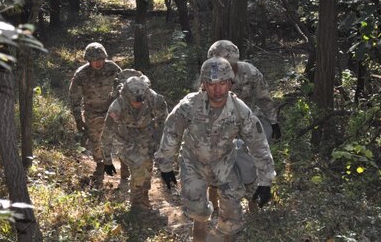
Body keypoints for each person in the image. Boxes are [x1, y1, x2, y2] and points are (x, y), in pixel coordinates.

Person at [154, 57, 276, 241]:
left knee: (232, 218)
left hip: (224, 164)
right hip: (193, 163)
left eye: (222, 83)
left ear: (230, 83)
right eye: (211, 84)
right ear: (203, 84)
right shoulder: (189, 105)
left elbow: (258, 144)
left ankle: (225, 236)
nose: (217, 90)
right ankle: (200, 228)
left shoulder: (239, 110)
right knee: (196, 210)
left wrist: (265, 181)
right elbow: (172, 133)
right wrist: (165, 165)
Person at [207, 39, 281, 211]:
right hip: (221, 122)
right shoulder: (209, 77)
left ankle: (253, 197)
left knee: (253, 154)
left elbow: (264, 97)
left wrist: (273, 121)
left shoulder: (250, 72)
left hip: (248, 117)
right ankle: (214, 192)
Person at [102, 75, 168, 210]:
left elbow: (163, 118)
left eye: (141, 101)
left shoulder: (153, 98)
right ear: (126, 97)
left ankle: (144, 194)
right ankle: (136, 203)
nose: (139, 104)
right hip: (125, 137)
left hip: (146, 135)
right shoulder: (117, 106)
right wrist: (107, 160)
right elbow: (107, 133)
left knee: (148, 166)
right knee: (138, 167)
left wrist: (160, 140)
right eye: (135, 101)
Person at [69, 42, 124, 185]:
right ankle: (100, 164)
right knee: (96, 139)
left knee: (122, 137)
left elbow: (124, 87)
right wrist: (78, 119)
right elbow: (74, 97)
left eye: (100, 59)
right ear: (89, 60)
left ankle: (125, 165)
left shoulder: (113, 68)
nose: (98, 63)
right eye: (94, 60)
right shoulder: (81, 74)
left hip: (112, 108)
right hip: (92, 111)